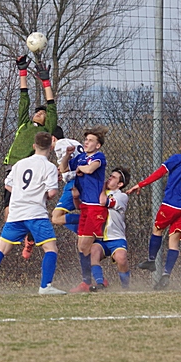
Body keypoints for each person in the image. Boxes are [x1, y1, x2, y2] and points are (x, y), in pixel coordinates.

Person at [0, 131, 66, 295]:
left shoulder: (20, 164)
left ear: (34, 146)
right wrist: (41, 192)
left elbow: (7, 185)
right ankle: (45, 286)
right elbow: (51, 193)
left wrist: (22, 193)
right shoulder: (49, 167)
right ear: (50, 147)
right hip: (36, 214)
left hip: (16, 213)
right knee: (50, 249)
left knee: (1, 248)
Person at [127, 132, 181, 290]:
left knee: (157, 229)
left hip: (171, 204)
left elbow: (159, 173)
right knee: (174, 242)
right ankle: (166, 275)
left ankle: (151, 260)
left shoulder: (178, 158)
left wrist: (140, 184)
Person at [3, 56, 57, 259]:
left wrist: (46, 82)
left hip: (30, 171)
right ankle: (19, 237)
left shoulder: (45, 130)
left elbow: (52, 106)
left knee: (33, 209)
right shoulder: (24, 125)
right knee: (8, 211)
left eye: (43, 113)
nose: (39, 114)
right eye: (38, 112)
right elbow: (23, 100)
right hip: (12, 168)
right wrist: (22, 72)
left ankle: (31, 238)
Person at [60, 126, 108, 293]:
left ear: (98, 145)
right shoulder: (80, 157)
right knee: (81, 246)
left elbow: (90, 169)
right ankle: (94, 280)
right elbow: (63, 169)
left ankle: (92, 281)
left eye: (90, 140)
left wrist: (79, 169)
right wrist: (67, 155)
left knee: (84, 245)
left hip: (95, 208)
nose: (86, 143)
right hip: (85, 207)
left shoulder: (99, 157)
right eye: (86, 140)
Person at [90, 167, 132, 289]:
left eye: (113, 178)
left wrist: (102, 187)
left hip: (116, 237)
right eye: (110, 176)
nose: (109, 178)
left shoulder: (122, 196)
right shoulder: (99, 192)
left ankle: (125, 287)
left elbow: (104, 202)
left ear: (120, 184)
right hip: (100, 237)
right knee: (93, 252)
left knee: (121, 258)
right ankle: (99, 284)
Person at [50, 125, 83, 235]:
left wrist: (63, 172)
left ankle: (89, 220)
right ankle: (84, 231)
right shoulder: (74, 142)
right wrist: (62, 173)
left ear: (53, 138)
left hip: (74, 183)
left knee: (56, 217)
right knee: (58, 216)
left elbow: (68, 159)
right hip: (82, 181)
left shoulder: (60, 144)